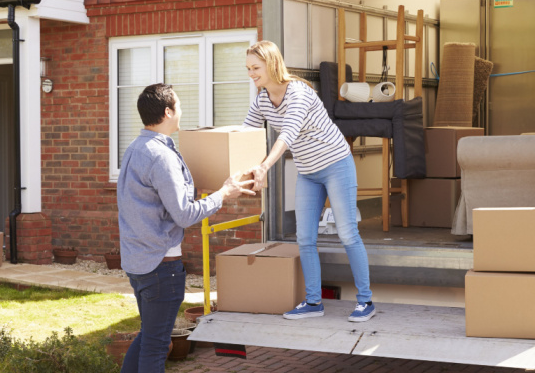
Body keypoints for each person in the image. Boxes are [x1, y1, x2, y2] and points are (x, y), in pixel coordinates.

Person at [117, 83, 255, 372]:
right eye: (178, 106)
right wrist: (224, 193)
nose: (181, 112)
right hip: (160, 267)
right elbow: (184, 214)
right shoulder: (162, 156)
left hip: (138, 261)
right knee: (155, 345)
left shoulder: (135, 148)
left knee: (148, 337)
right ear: (168, 111)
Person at [242, 40, 375, 322]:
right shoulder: (262, 99)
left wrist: (264, 166)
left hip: (336, 165)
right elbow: (246, 133)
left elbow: (287, 134)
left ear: (271, 64)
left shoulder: (299, 93)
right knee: (304, 238)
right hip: (308, 172)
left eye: (256, 68)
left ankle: (365, 301)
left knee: (348, 233)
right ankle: (314, 302)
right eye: (248, 69)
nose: (251, 74)